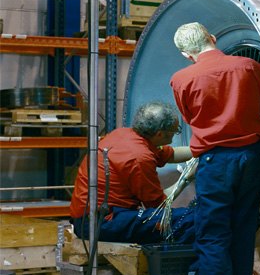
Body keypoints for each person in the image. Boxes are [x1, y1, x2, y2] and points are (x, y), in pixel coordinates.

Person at [162, 22, 260, 275]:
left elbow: (192, 119)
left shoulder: (182, 79)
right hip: (254, 159)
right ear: (212, 38)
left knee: (213, 238)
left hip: (217, 163)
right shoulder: (249, 66)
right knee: (242, 236)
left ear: (187, 54)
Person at [69, 101, 195, 245]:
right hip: (101, 223)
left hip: (89, 218)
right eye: (175, 131)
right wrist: (187, 177)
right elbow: (160, 207)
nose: (175, 134)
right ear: (160, 134)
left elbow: (171, 154)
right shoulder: (139, 157)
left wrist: (202, 150)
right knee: (190, 219)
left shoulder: (124, 135)